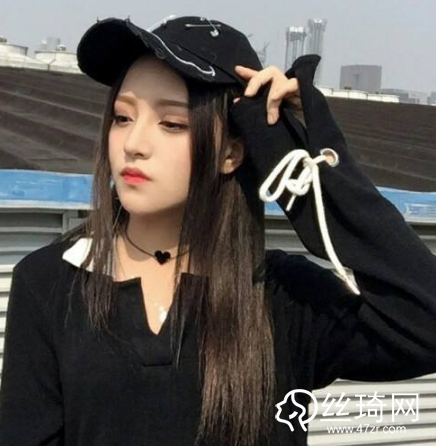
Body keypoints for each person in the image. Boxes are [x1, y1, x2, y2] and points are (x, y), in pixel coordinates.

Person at [0, 14, 436, 446]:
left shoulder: (283, 298)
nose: (133, 144)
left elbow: (425, 324)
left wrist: (311, 159)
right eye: (122, 117)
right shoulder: (49, 283)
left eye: (172, 124)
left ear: (231, 152)